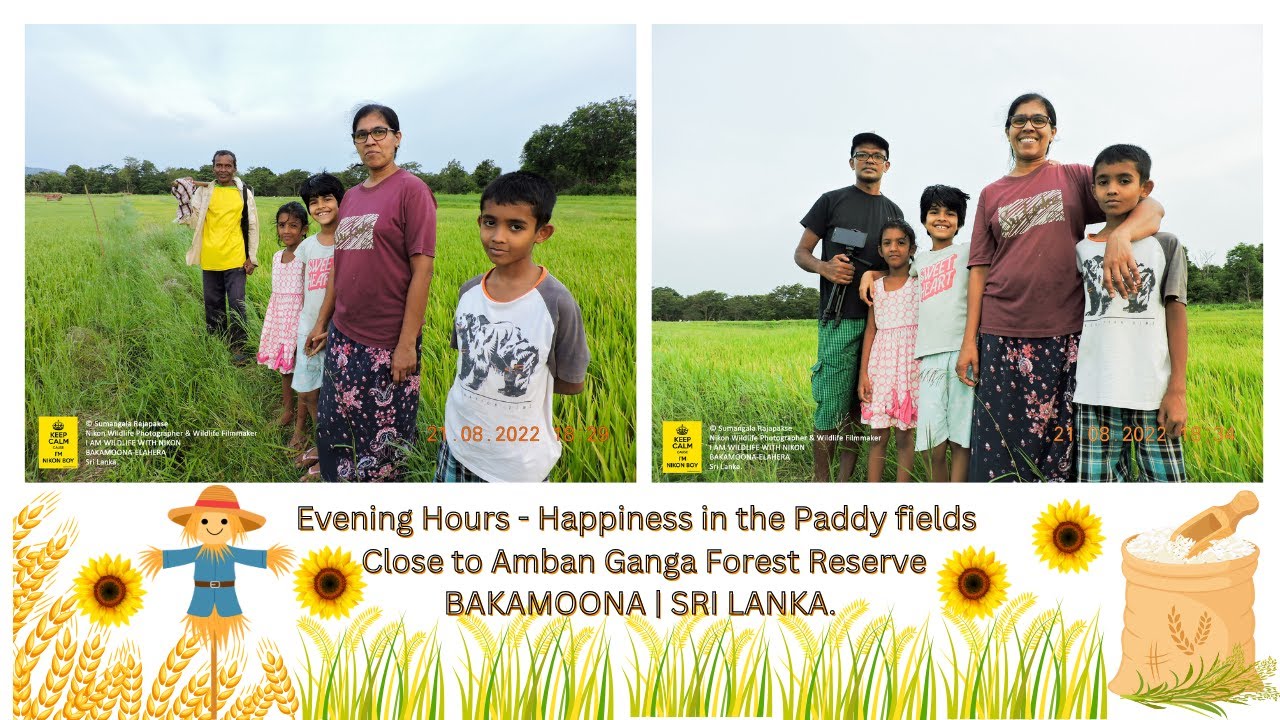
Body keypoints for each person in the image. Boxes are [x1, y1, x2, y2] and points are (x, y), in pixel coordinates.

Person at [956, 93, 1164, 481]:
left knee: (1058, 445)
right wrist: (971, 340)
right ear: (1007, 132)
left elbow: (1151, 207)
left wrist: (1122, 238)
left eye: (1039, 119)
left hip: (1064, 331)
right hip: (1001, 331)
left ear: (1053, 130)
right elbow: (980, 268)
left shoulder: (1075, 177)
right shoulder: (991, 194)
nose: (1028, 127)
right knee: (998, 441)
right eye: (1019, 120)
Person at [306, 104, 437, 482]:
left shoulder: (412, 191)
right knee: (335, 423)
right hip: (344, 335)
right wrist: (322, 322)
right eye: (361, 135)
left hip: (387, 341)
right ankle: (336, 485)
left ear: (397, 138)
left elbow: (422, 271)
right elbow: (341, 264)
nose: (370, 141)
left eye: (379, 132)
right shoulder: (351, 197)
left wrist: (407, 344)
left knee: (382, 443)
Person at [435, 171, 589, 482]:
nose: (498, 236)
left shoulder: (556, 302)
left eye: (515, 226)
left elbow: (571, 382)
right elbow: (466, 361)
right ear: (479, 222)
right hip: (457, 443)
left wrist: (515, 376)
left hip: (516, 465)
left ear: (542, 233)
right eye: (490, 222)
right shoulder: (469, 292)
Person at [794, 132, 904, 482]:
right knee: (830, 405)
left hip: (880, 326)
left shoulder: (893, 212)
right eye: (862, 154)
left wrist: (873, 272)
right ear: (851, 161)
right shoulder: (831, 201)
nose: (869, 160)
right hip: (839, 319)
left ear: (887, 165)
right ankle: (821, 481)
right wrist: (824, 267)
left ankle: (845, 481)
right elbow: (801, 253)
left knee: (862, 407)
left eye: (877, 156)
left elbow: (900, 265)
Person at [1073, 144, 1187, 481]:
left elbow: (1176, 315)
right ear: (1093, 190)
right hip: (1094, 393)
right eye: (1103, 181)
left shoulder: (1165, 245)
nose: (1112, 189)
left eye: (1124, 180)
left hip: (1153, 392)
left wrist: (1177, 390)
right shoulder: (1080, 249)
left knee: (1167, 487)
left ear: (1145, 188)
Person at [912, 185, 974, 482]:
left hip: (964, 352)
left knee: (962, 435)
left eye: (950, 213)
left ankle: (959, 498)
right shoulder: (919, 261)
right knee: (931, 438)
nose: (942, 218)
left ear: (960, 221)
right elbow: (894, 273)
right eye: (934, 212)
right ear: (924, 219)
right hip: (929, 356)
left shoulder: (968, 251)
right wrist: (871, 275)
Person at [182, 150, 260, 365]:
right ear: (213, 167)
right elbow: (193, 221)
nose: (223, 169)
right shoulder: (204, 192)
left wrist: (251, 257)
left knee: (237, 304)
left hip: (236, 258)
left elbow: (252, 225)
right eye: (219, 165)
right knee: (213, 304)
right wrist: (184, 197)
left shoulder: (244, 192)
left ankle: (240, 347)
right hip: (210, 257)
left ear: (234, 168)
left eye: (227, 165)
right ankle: (217, 343)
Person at [857, 220, 920, 482]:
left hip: (910, 366)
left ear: (912, 248)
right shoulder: (876, 287)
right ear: (880, 250)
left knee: (905, 436)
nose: (894, 248)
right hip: (880, 366)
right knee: (878, 436)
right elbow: (871, 330)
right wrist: (863, 374)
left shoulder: (919, 282)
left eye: (901, 242)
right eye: (887, 243)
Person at [293, 173, 345, 476]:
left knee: (335, 395)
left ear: (340, 202)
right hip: (307, 327)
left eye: (327, 199)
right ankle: (321, 441)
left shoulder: (349, 242)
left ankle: (334, 450)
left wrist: (330, 326)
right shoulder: (307, 246)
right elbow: (301, 290)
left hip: (337, 332)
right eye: (314, 202)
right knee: (310, 392)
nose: (321, 206)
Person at [257, 202, 307, 439]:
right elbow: (278, 294)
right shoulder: (278, 256)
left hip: (299, 319)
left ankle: (301, 424)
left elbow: (309, 294)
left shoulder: (307, 255)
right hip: (279, 317)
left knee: (303, 372)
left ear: (304, 229)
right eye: (282, 225)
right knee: (285, 369)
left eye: (293, 225)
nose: (287, 230)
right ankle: (288, 410)